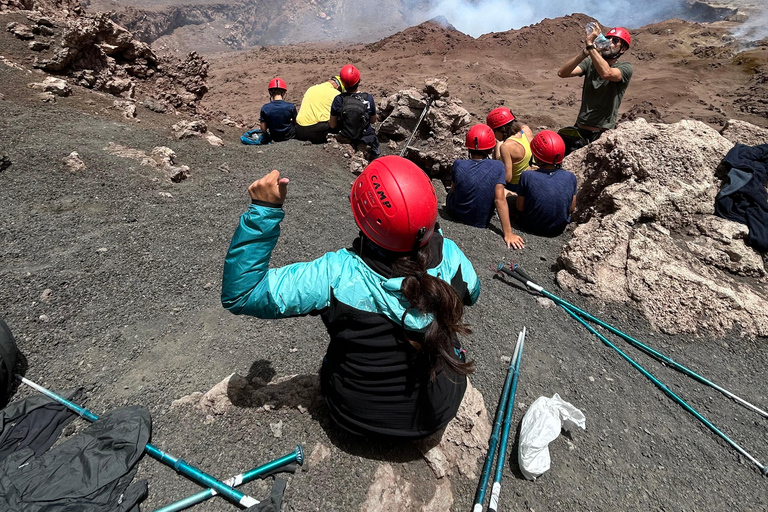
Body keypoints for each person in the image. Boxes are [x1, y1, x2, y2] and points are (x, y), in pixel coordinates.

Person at [221, 156, 479, 439]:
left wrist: (263, 210)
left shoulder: (336, 273)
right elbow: (472, 294)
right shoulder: (452, 255)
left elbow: (243, 293)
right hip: (437, 411)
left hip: (354, 416)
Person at [557, 24, 633, 154]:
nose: (610, 42)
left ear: (623, 49)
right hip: (579, 128)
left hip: (601, 134)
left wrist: (591, 46)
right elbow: (562, 73)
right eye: (608, 38)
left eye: (615, 41)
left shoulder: (626, 68)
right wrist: (585, 52)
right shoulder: (590, 63)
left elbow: (607, 73)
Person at [446, 124, 524, 249]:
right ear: (490, 149)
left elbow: (454, 190)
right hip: (481, 219)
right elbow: (499, 200)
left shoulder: (458, 164)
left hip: (454, 213)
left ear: (468, 147)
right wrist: (508, 233)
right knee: (500, 192)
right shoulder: (498, 167)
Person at [515, 130, 577, 237]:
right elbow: (571, 209)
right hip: (557, 230)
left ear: (537, 157)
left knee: (509, 197)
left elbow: (520, 207)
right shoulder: (570, 177)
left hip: (529, 226)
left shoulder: (527, 175)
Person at [329, 65, 380, 160]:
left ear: (343, 84)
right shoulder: (368, 98)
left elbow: (332, 125)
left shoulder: (338, 99)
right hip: (365, 136)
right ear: (359, 80)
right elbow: (373, 121)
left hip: (345, 136)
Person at [486, 107, 533, 193]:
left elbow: (507, 178)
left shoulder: (506, 147)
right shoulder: (525, 130)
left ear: (502, 130)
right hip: (528, 179)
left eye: (493, 131)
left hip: (515, 186)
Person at [295, 76, 345, 144]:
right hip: (316, 132)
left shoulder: (311, 88)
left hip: (299, 129)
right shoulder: (336, 94)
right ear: (337, 87)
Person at [259, 77, 297, 143]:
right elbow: (296, 123)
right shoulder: (291, 106)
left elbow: (263, 129)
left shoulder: (265, 108)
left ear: (270, 92)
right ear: (284, 92)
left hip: (274, 137)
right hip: (290, 136)